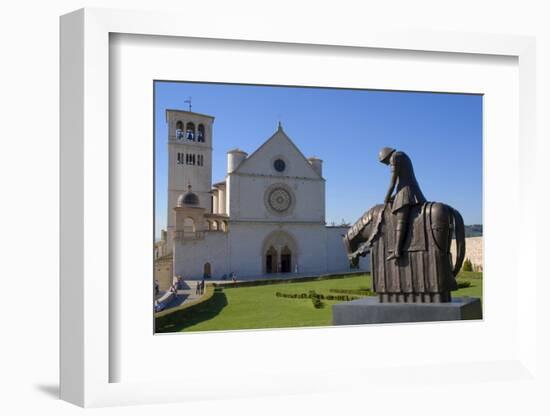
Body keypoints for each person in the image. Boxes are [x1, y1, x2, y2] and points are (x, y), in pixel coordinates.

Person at [379, 147, 426, 261]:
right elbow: (403, 181)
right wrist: (393, 196)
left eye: (385, 162)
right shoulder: (402, 155)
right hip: (407, 189)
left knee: (401, 219)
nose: (387, 164)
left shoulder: (395, 157)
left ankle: (397, 250)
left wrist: (385, 199)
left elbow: (393, 182)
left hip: (407, 192)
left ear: (386, 156)